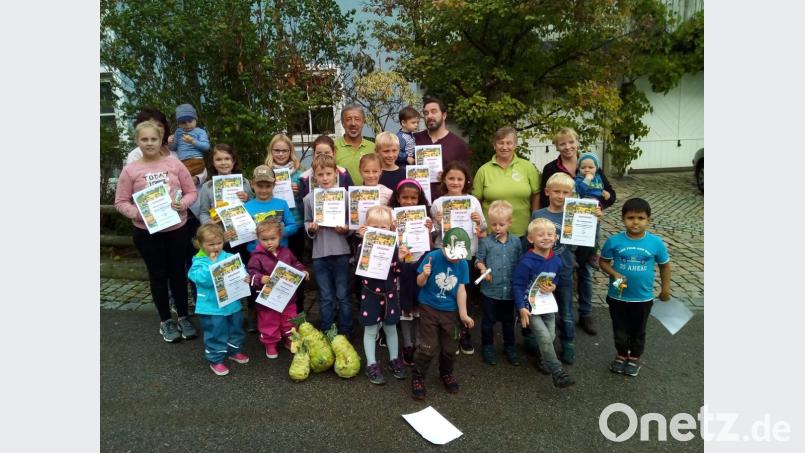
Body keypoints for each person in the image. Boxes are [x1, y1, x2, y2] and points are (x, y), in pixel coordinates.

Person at [114, 121, 198, 343]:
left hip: (176, 229)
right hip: (147, 232)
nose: (149, 143)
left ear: (161, 140)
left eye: (153, 139)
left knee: (179, 274)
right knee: (158, 275)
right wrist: (139, 213)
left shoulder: (175, 164)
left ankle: (183, 316)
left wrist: (184, 204)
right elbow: (121, 202)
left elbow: (191, 192)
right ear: (137, 142)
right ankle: (165, 321)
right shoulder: (130, 170)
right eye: (145, 139)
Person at [539, 127, 615, 336]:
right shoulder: (550, 168)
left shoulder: (591, 165)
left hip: (585, 227)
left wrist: (599, 207)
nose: (567, 147)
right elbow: (546, 198)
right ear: (556, 146)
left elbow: (610, 195)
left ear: (577, 143)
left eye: (571, 142)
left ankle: (586, 312)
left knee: (585, 269)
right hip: (560, 225)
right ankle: (562, 313)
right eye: (562, 143)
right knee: (560, 268)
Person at [531, 173, 601, 365]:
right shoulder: (539, 215)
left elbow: (588, 242)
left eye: (565, 192)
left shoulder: (578, 214)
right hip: (542, 272)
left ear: (572, 194)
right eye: (556, 191)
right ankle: (543, 346)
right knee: (542, 310)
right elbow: (531, 241)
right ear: (547, 192)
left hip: (565, 270)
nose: (560, 196)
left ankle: (568, 342)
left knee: (566, 310)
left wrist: (594, 222)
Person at [599, 198, 672, 377]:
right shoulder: (614, 242)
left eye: (640, 218)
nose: (635, 222)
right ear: (623, 219)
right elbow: (603, 262)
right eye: (631, 218)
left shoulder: (655, 243)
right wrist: (614, 273)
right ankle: (622, 354)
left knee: (638, 330)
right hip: (617, 294)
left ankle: (635, 357)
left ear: (648, 219)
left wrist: (665, 289)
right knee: (620, 328)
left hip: (642, 298)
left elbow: (665, 265)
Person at [411, 228, 475, 400]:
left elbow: (461, 289)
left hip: (451, 311)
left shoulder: (462, 264)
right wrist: (424, 275)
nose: (455, 258)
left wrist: (463, 314)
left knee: (450, 348)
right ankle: (418, 376)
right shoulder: (432, 257)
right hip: (429, 307)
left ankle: (446, 373)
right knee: (428, 347)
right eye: (452, 254)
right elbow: (419, 283)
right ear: (444, 246)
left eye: (459, 255)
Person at [431, 159, 486, 355]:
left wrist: (478, 221)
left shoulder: (472, 201)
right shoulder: (438, 203)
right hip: (444, 255)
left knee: (465, 294)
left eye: (459, 179)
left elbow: (483, 229)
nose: (455, 182)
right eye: (451, 178)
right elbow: (433, 234)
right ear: (444, 180)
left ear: (466, 181)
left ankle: (464, 332)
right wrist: (437, 223)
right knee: (446, 293)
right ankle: (449, 334)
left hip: (466, 255)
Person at [513, 218, 575, 388]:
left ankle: (542, 358)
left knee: (551, 336)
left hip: (547, 304)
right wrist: (521, 308)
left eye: (550, 234)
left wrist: (553, 286)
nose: (546, 237)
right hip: (530, 306)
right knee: (544, 336)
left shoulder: (556, 260)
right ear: (531, 239)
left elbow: (556, 277)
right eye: (541, 235)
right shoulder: (526, 262)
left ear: (555, 238)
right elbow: (517, 285)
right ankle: (558, 373)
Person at [355, 205, 409, 384]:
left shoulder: (394, 245)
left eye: (383, 228)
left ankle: (394, 359)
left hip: (390, 294)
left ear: (391, 227)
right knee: (370, 329)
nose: (379, 231)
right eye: (374, 228)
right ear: (366, 228)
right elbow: (358, 267)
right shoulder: (363, 245)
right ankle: (371, 363)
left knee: (391, 328)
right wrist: (365, 244)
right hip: (370, 294)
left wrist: (400, 258)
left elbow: (397, 271)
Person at [187, 224, 250, 376]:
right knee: (216, 332)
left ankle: (234, 350)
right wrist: (214, 266)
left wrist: (245, 276)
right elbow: (200, 279)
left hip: (232, 303)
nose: (216, 247)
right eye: (211, 244)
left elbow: (240, 269)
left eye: (219, 243)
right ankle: (216, 359)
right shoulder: (199, 261)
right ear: (201, 244)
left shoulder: (228, 256)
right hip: (211, 306)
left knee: (236, 328)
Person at [303, 155, 354, 335]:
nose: (325, 178)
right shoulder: (309, 199)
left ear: (335, 175)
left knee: (342, 295)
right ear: (314, 177)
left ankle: (345, 330)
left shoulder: (345, 196)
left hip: (341, 252)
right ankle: (327, 330)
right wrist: (311, 229)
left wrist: (346, 229)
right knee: (325, 296)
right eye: (320, 174)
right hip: (319, 255)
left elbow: (352, 223)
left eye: (328, 173)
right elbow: (307, 222)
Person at [247, 220, 309, 360]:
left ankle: (289, 339)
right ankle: (270, 343)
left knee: (290, 319)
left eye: (273, 239)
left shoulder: (286, 252)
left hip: (287, 296)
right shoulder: (256, 257)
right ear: (258, 239)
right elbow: (250, 275)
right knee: (269, 322)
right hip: (268, 299)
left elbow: (295, 263)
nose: (269, 243)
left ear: (280, 237)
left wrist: (302, 270)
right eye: (264, 239)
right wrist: (260, 278)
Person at [389, 179, 434, 366]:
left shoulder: (425, 218)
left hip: (420, 264)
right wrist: (392, 230)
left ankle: (417, 343)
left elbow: (430, 244)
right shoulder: (392, 216)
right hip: (401, 266)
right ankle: (407, 344)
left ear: (419, 199)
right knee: (405, 308)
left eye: (413, 198)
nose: (408, 201)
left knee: (419, 307)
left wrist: (430, 230)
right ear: (398, 198)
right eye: (404, 197)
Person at [475, 200, 522, 366]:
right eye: (494, 224)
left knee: (509, 321)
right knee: (488, 320)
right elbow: (479, 260)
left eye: (501, 224)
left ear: (509, 223)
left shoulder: (516, 242)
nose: (497, 228)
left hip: (509, 290)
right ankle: (487, 346)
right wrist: (482, 269)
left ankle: (510, 346)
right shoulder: (486, 242)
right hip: (490, 290)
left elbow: (520, 263)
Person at [472, 125, 540, 238]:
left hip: (522, 231)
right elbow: (476, 201)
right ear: (494, 145)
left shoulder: (527, 167)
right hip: (492, 232)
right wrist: (480, 226)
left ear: (515, 145)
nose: (505, 147)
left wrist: (534, 220)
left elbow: (536, 194)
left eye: (509, 143)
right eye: (500, 143)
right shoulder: (483, 170)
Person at [265, 134, 307, 314]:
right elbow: (259, 196)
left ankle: (297, 311)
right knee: (271, 270)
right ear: (271, 151)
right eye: (277, 150)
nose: (281, 154)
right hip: (270, 230)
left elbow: (309, 202)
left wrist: (299, 192)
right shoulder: (264, 172)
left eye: (284, 150)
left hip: (294, 227)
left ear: (291, 151)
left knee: (295, 269)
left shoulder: (300, 173)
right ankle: (274, 311)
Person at [414, 97, 471, 199]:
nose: (429, 116)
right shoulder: (414, 140)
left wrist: (447, 175)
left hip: (446, 203)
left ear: (444, 115)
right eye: (426, 113)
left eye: (434, 112)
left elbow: (466, 178)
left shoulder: (458, 144)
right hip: (417, 202)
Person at [573, 151, 615, 266]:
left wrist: (605, 193)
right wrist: (587, 179)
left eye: (591, 167)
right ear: (579, 168)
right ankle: (574, 253)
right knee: (581, 232)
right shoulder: (579, 179)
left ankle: (593, 253)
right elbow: (580, 190)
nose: (587, 170)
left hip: (596, 210)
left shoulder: (598, 178)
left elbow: (599, 189)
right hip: (583, 208)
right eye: (583, 167)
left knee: (596, 233)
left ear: (596, 168)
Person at [299, 135, 354, 200]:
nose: (323, 156)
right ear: (314, 154)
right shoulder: (304, 177)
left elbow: (352, 197)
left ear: (333, 153)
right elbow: (302, 203)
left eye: (327, 153)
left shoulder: (343, 173)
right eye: (319, 153)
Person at [335, 104, 375, 185]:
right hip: (341, 196)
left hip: (369, 195)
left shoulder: (373, 147)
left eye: (357, 119)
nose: (353, 123)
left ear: (363, 122)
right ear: (343, 123)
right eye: (348, 119)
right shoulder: (333, 147)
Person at [168, 103, 210, 179]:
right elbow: (174, 147)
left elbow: (206, 147)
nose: (187, 124)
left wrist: (193, 142)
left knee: (179, 176)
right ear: (179, 123)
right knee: (174, 174)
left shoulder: (200, 131)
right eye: (183, 122)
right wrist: (170, 143)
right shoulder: (178, 132)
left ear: (195, 120)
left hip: (196, 160)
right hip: (182, 162)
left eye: (190, 121)